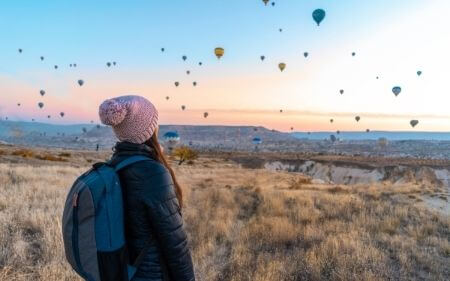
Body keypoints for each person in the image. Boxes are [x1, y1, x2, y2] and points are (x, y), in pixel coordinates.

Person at [99, 95, 195, 281]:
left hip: (123, 271)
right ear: (150, 129)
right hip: (151, 274)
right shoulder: (153, 173)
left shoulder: (114, 165)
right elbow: (175, 242)